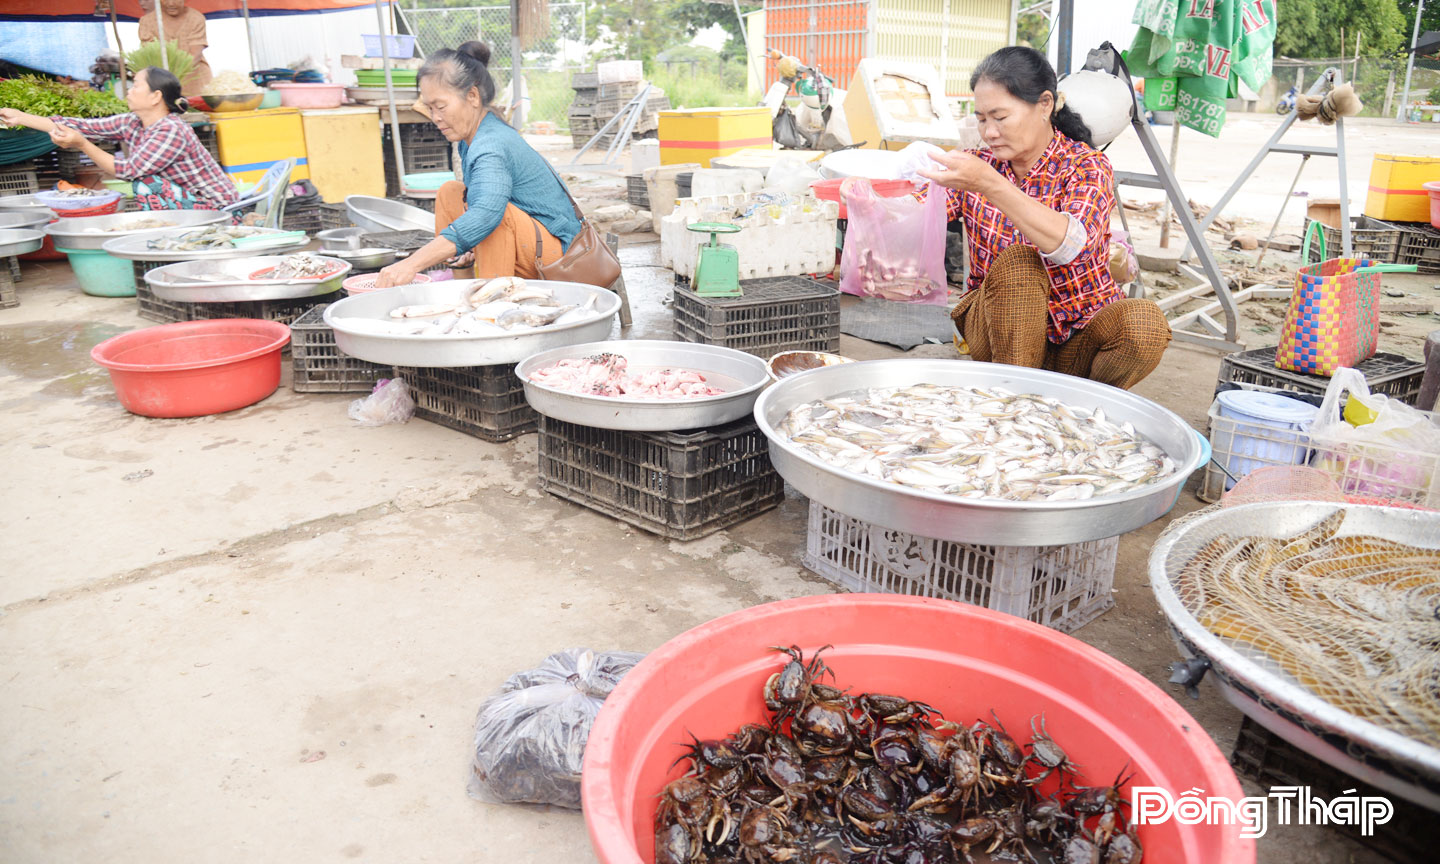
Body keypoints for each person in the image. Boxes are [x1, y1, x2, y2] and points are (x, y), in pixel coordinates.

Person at [919, 46, 1170, 391]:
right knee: (1018, 265)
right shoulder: (976, 165)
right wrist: (862, 194)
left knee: (1145, 325)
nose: (989, 132)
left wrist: (991, 186)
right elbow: (916, 209)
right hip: (997, 333)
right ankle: (1014, 401)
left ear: (1045, 105)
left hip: (1077, 334)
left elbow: (1072, 247)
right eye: (981, 119)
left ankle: (1080, 405)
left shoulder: (1086, 165)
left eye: (1000, 117)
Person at [374, 41, 581, 290]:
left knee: (493, 215)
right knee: (450, 192)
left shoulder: (490, 144)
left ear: (472, 96)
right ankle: (463, 286)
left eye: (440, 107)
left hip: (563, 260)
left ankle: (493, 303)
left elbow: (486, 214)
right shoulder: (472, 135)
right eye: (429, 108)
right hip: (534, 245)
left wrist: (410, 264)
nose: (435, 117)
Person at [0, 67, 238, 212]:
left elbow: (129, 170)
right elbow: (79, 125)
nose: (129, 91)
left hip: (216, 207)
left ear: (156, 96)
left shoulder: (171, 129)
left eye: (135, 86)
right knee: (145, 182)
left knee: (146, 183)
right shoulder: (132, 122)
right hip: (186, 200)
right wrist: (21, 117)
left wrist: (82, 144)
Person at [138, 0, 213, 96]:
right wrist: (165, 79)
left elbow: (195, 54)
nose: (171, 4)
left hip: (196, 79)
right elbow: (149, 52)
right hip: (162, 82)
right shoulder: (147, 22)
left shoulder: (196, 18)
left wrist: (175, 75)